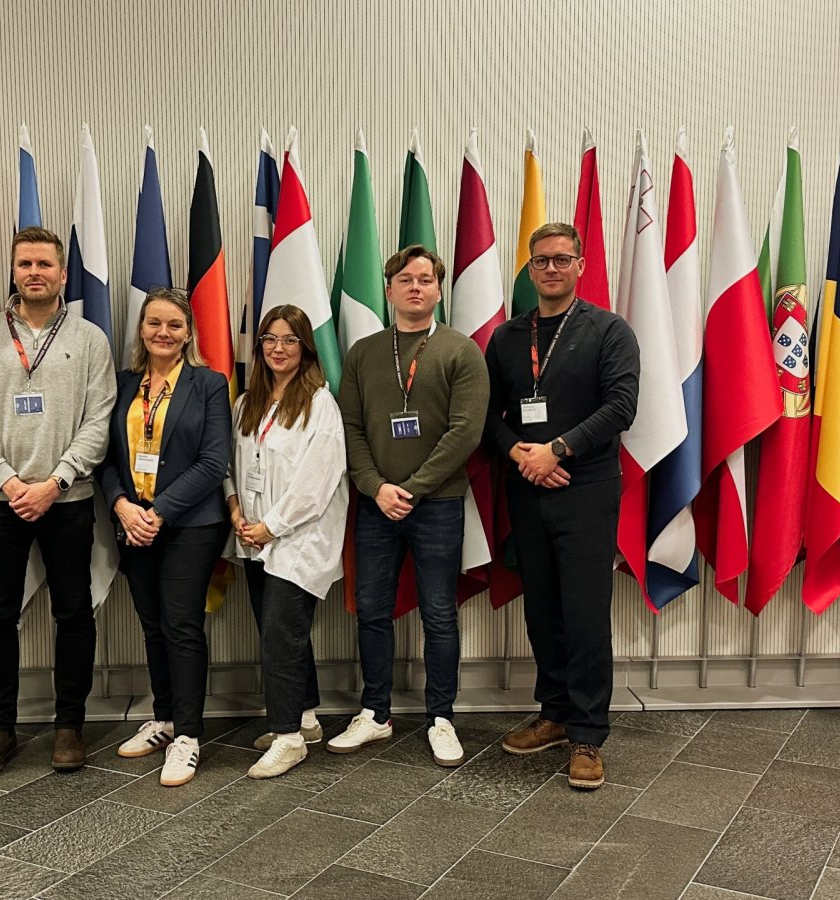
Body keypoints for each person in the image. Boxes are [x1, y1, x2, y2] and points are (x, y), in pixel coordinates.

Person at [0, 227, 115, 777]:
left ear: (63, 274)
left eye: (45, 264)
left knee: (74, 612)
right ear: (13, 272)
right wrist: (8, 482)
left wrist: (55, 482)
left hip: (67, 500)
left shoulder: (90, 338)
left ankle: (70, 726)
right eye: (25, 264)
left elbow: (99, 420)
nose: (35, 273)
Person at [484, 222, 639, 790]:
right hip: (527, 487)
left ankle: (587, 734)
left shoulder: (609, 330)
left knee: (585, 613)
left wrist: (558, 449)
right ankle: (553, 713)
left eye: (562, 259)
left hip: (587, 489)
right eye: (542, 261)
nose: (551, 269)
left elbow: (621, 406)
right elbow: (486, 414)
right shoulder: (506, 337)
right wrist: (520, 453)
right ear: (529, 269)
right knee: (542, 609)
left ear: (580, 266)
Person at [331, 245, 490, 767]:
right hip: (376, 505)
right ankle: (374, 713)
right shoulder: (364, 352)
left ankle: (441, 716)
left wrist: (414, 488)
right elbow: (350, 427)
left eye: (425, 279)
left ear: (439, 290)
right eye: (405, 279)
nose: (415, 286)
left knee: (439, 613)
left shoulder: (461, 350)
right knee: (371, 610)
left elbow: (465, 432)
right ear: (389, 290)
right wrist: (375, 486)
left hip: (437, 505)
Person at [100, 288, 230, 787]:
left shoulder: (209, 384)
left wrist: (158, 513)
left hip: (189, 525)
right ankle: (165, 718)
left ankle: (189, 736)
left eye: (174, 324)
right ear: (141, 329)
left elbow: (213, 462)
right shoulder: (123, 384)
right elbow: (106, 458)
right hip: (132, 522)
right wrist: (122, 505)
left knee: (181, 626)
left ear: (189, 333)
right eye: (154, 323)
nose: (163, 332)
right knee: (153, 626)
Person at [224, 305, 348, 779]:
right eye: (270, 339)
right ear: (259, 347)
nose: (279, 348)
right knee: (280, 631)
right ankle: (306, 717)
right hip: (255, 535)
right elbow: (231, 464)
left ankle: (288, 737)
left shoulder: (319, 403)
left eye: (290, 340)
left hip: (298, 539)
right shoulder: (247, 403)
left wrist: (271, 526)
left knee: (280, 635)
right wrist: (236, 509)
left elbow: (316, 483)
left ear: (305, 348)